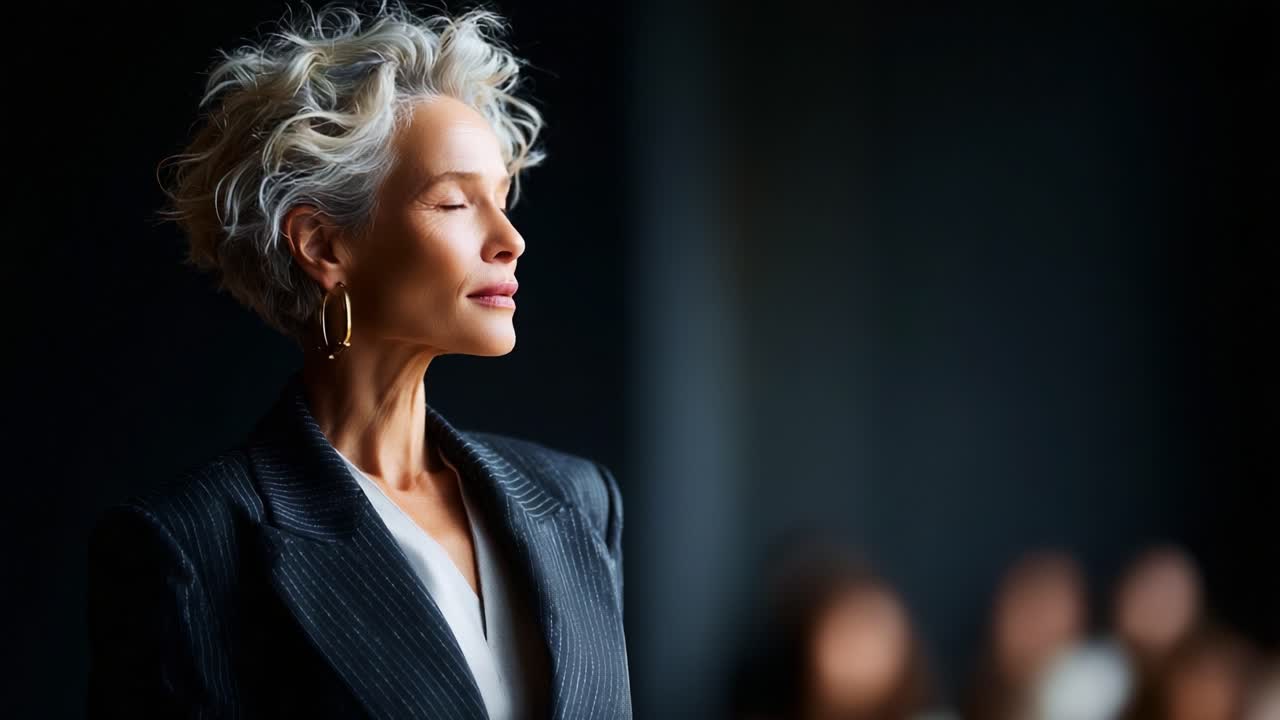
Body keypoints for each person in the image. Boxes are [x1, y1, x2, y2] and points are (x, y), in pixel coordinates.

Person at [84, 3, 629, 718]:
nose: (511, 239)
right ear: (322, 244)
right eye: (454, 203)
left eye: (502, 199)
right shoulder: (189, 546)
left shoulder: (578, 499)